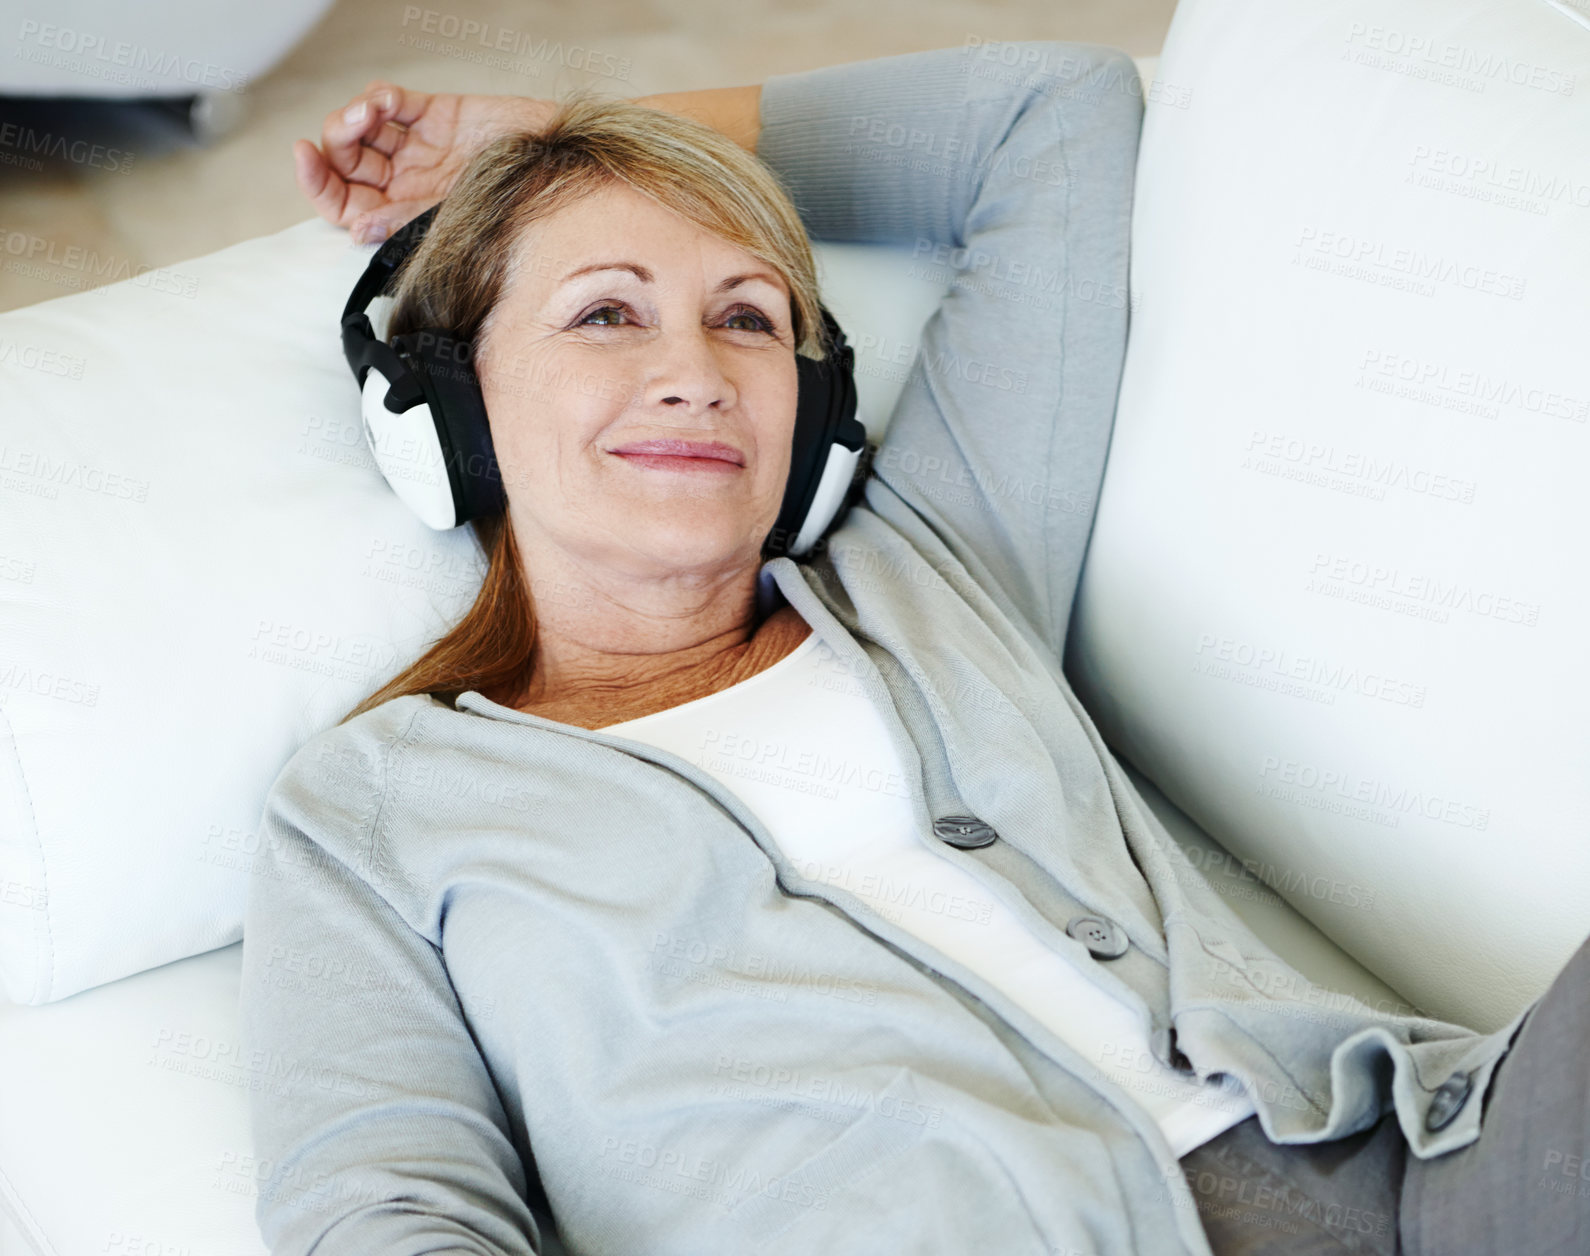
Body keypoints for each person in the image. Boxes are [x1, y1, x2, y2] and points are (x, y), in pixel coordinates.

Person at [245, 40, 1590, 1256]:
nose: (697, 372)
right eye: (605, 312)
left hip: (1433, 1171)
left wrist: (556, 133)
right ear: (445, 406)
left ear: (808, 420)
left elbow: (1048, 117)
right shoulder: (369, 813)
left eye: (748, 318)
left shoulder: (928, 566)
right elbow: (386, 1215)